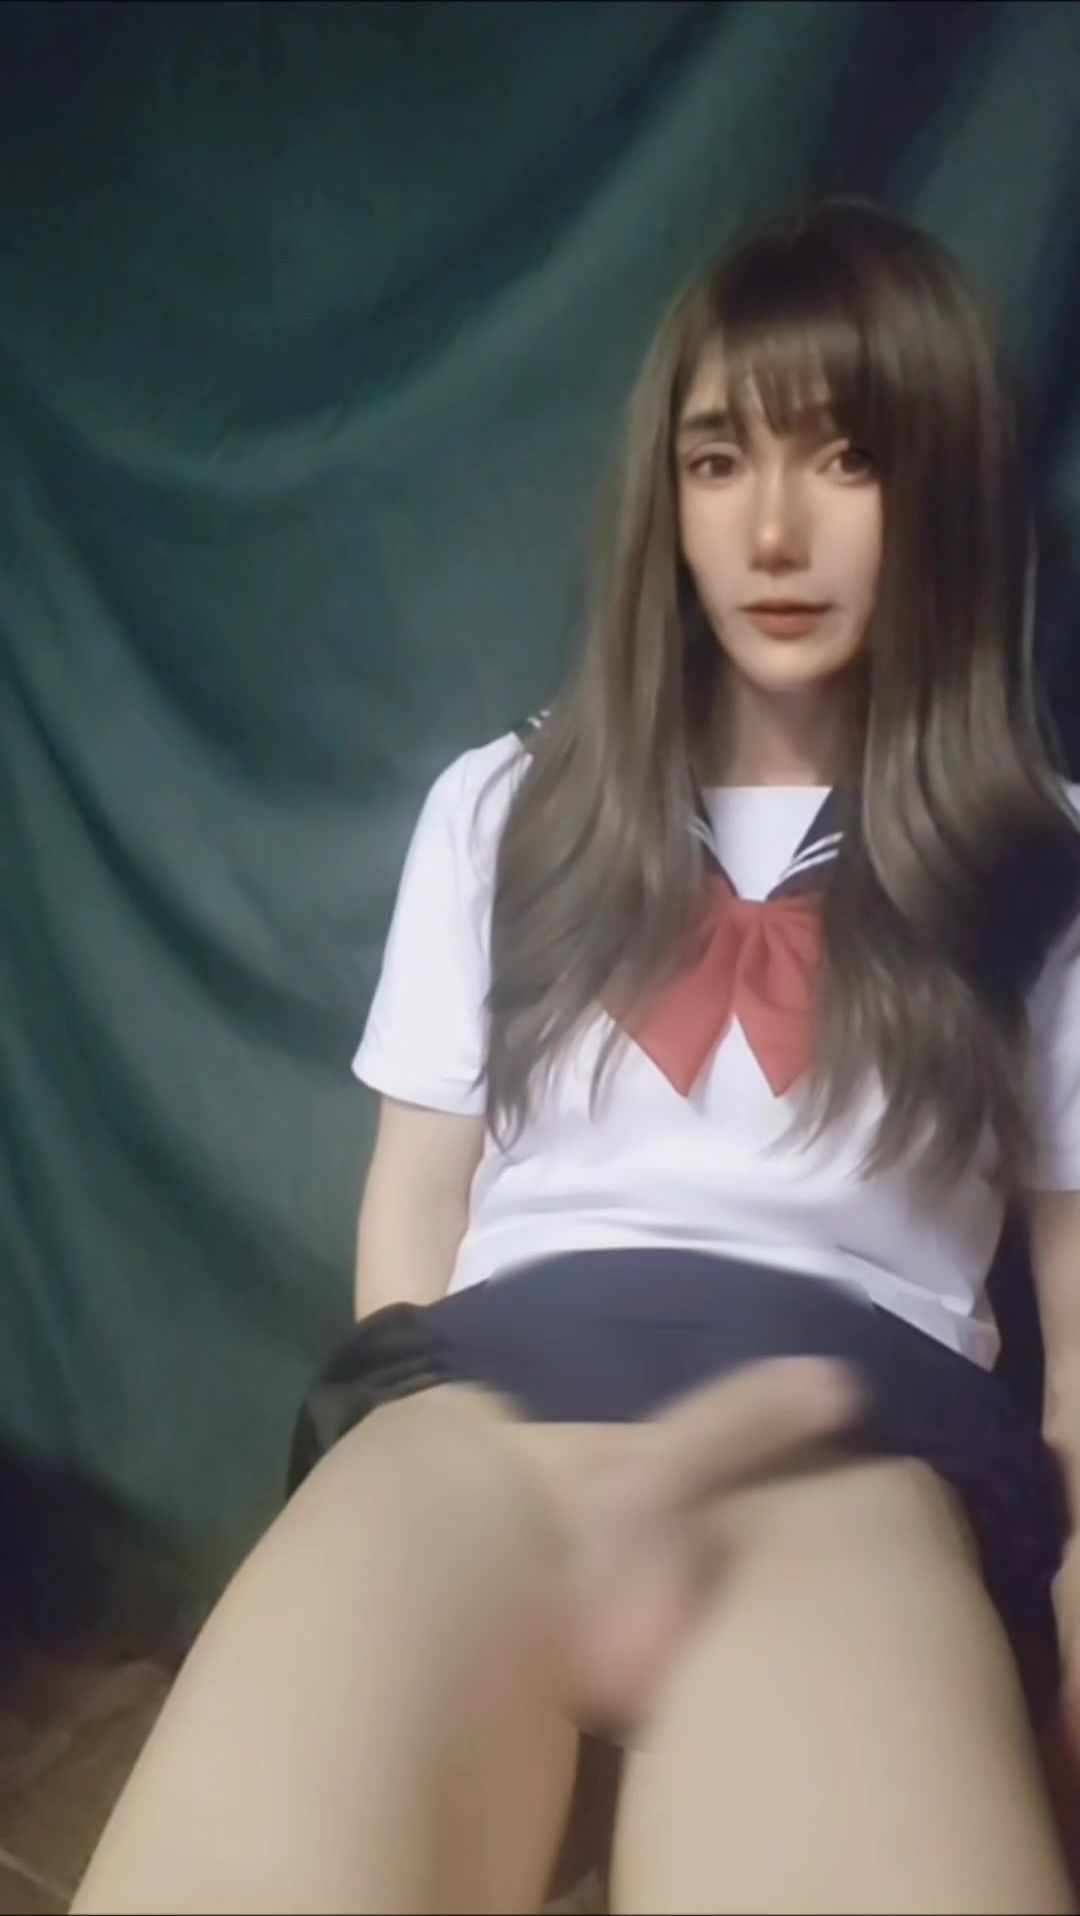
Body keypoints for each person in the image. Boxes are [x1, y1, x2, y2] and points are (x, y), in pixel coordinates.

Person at [75, 195, 1080, 1914]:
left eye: (846, 458)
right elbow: (417, 1207)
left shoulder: (1037, 856)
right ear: (663, 499)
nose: (773, 528)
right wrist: (406, 1435)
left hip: (842, 1454)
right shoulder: (504, 806)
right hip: (490, 1419)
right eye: (717, 461)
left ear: (945, 485)